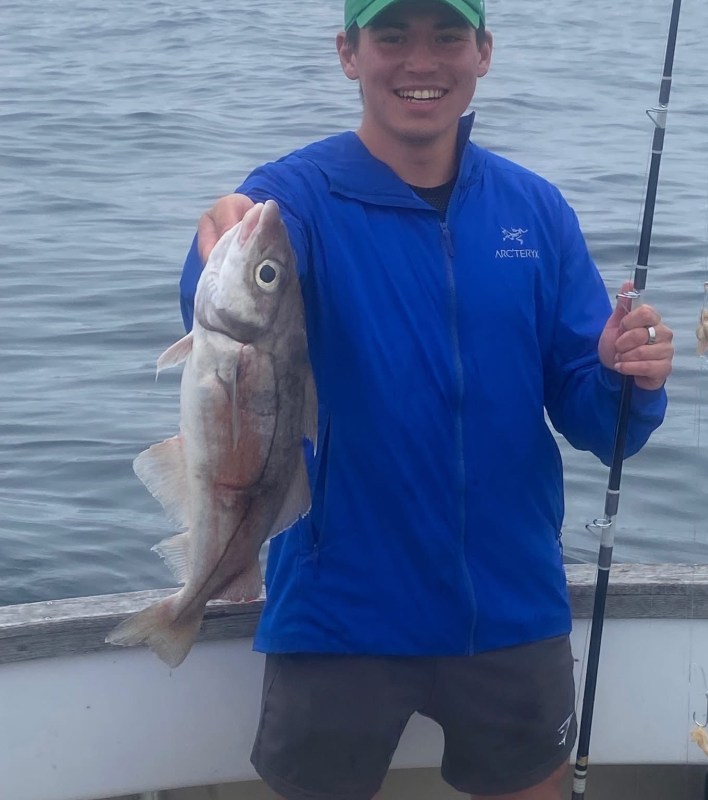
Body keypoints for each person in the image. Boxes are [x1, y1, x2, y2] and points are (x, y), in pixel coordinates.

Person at [179, 1, 675, 798]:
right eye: (392, 36)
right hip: (340, 614)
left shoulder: (533, 212)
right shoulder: (290, 201)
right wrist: (215, 248)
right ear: (348, 53)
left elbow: (597, 421)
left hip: (511, 607)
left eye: (447, 35)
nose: (421, 60)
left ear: (483, 53)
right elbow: (224, 325)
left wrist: (628, 375)